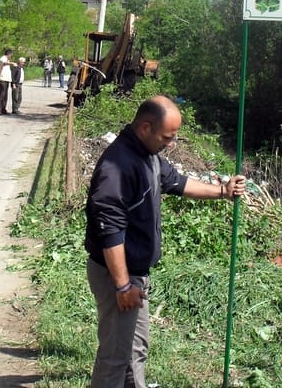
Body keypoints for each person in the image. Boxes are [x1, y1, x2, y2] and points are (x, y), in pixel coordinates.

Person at [85, 95, 246, 387]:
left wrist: (222, 191)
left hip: (134, 277)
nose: (170, 143)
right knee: (114, 357)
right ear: (146, 127)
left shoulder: (148, 156)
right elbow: (109, 229)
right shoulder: (118, 166)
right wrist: (122, 286)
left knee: (135, 350)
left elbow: (178, 182)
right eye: (167, 136)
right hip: (117, 276)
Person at [0, 48, 15, 114]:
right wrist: (11, 63)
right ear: (9, 54)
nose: (11, 56)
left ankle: (3, 109)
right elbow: (3, 63)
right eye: (11, 54)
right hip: (2, 79)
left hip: (6, 80)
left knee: (5, 95)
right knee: (1, 95)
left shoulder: (7, 59)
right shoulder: (3, 58)